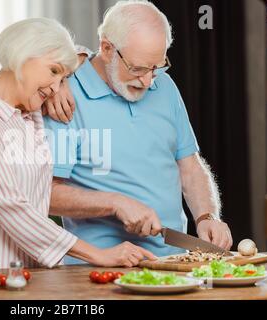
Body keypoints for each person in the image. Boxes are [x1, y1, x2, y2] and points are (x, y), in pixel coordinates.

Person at [0, 17, 156, 270]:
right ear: (22, 55)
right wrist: (98, 255)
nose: (56, 88)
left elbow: (89, 57)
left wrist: (62, 77)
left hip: (26, 275)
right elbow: (11, 207)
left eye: (62, 78)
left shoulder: (28, 114)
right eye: (53, 71)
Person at [43, 0, 233, 264]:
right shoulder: (66, 98)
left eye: (157, 66)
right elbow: (46, 193)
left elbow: (189, 164)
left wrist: (207, 216)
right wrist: (115, 203)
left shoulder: (164, 85)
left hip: (175, 263)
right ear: (107, 48)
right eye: (138, 68)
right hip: (99, 269)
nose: (147, 81)